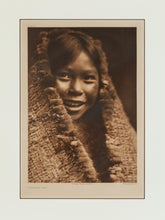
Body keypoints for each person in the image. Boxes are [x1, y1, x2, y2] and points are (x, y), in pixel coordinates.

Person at [28, 29, 137, 183]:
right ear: (44, 76)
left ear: (102, 82)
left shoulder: (119, 138)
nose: (76, 89)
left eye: (88, 78)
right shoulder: (26, 142)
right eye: (64, 75)